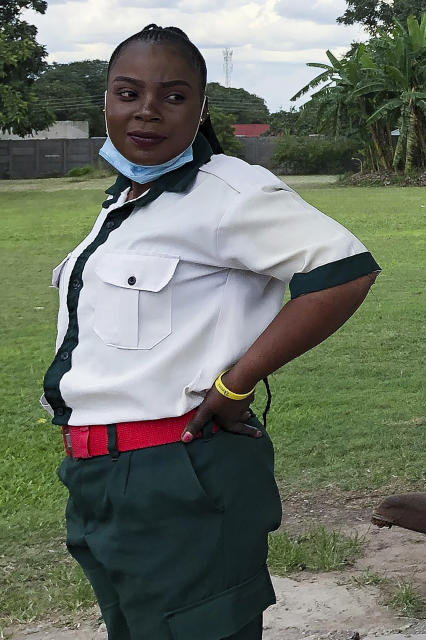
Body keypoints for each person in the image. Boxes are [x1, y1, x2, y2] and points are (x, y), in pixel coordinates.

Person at [41, 24, 380, 640]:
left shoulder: (226, 190)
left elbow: (342, 273)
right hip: (101, 479)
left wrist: (236, 383)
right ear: (106, 103)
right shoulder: (129, 201)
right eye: (127, 92)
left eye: (173, 96)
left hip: (178, 472)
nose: (146, 110)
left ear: (202, 109)